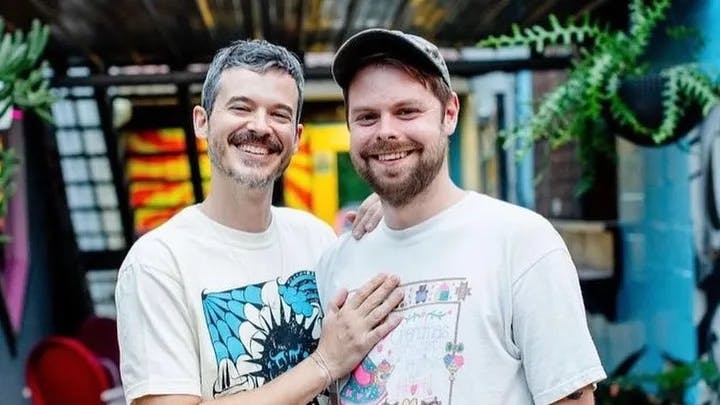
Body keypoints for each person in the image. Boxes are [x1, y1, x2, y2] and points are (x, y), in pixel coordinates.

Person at [315, 28, 606, 404]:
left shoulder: (522, 243)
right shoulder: (333, 264)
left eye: (407, 111)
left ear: (449, 113)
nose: (386, 131)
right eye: (368, 117)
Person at [115, 39, 404, 405]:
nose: (260, 126)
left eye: (280, 114)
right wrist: (323, 363)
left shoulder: (315, 238)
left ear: (297, 137)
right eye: (241, 107)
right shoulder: (158, 263)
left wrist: (396, 211)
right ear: (202, 122)